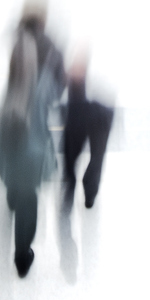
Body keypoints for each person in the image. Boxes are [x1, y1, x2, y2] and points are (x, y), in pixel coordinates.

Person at [0, 2, 64, 277]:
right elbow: (58, 89)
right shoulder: (50, 56)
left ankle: (11, 195)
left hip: (8, 129)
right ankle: (22, 255)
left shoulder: (17, 43)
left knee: (12, 173)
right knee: (28, 199)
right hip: (31, 139)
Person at [61, 53, 113, 212]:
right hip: (102, 106)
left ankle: (70, 182)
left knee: (71, 150)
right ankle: (89, 193)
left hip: (80, 103)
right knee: (97, 154)